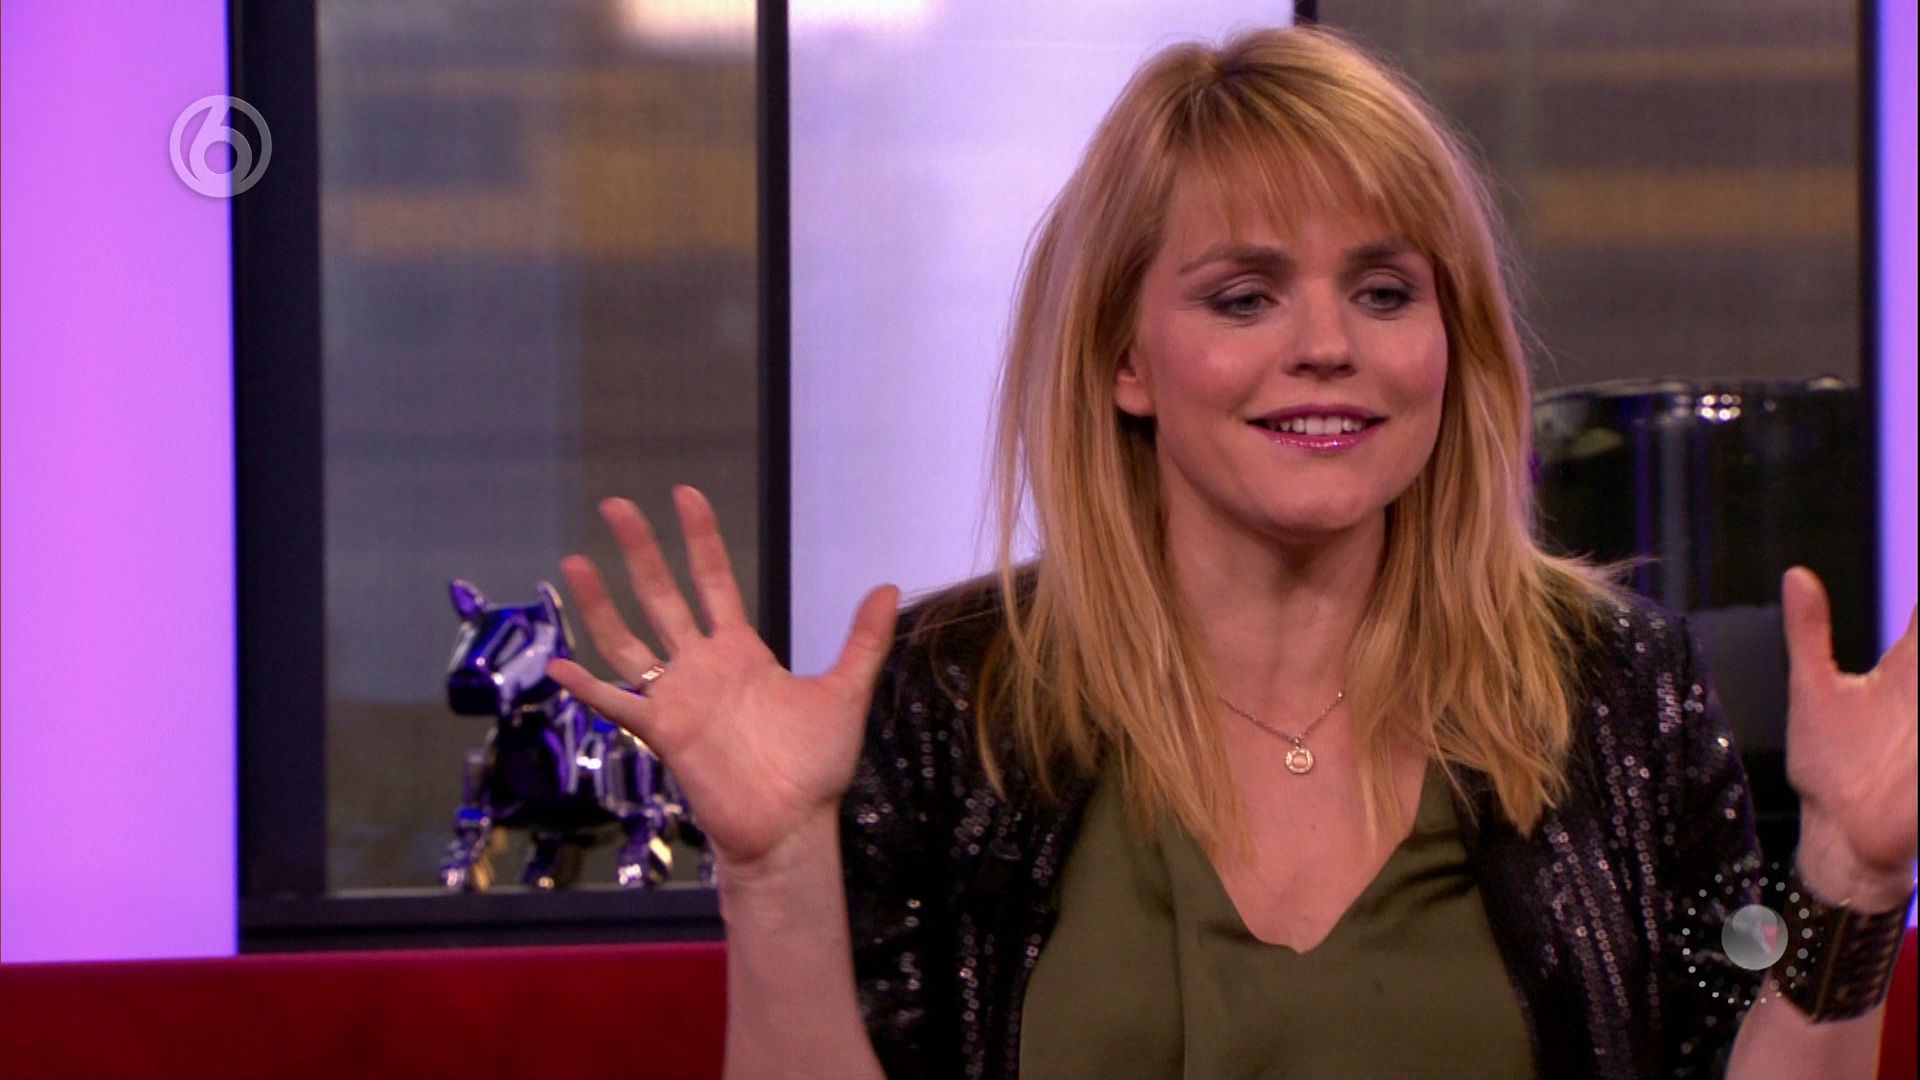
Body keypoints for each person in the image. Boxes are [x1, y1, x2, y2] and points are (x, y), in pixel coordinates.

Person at [547, 26, 1918, 1080]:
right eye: (1246, 295)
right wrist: (774, 869)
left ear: (1452, 344)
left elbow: (1733, 1043)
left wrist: (1853, 879)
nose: (1327, 344)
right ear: (1126, 359)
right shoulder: (951, 697)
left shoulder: (1614, 689)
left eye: (1384, 290)